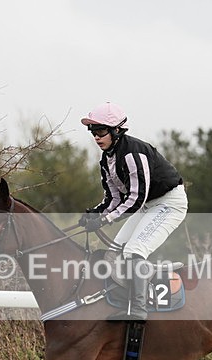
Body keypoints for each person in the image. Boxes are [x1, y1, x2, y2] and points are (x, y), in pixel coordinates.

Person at [78, 102, 188, 322]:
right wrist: (95, 213)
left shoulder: (132, 153)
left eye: (101, 131)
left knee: (134, 251)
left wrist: (104, 221)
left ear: (116, 130)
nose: (96, 137)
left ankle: (138, 309)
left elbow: (136, 199)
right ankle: (121, 301)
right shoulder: (106, 159)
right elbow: (114, 198)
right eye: (93, 132)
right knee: (114, 252)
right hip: (148, 205)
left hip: (168, 204)